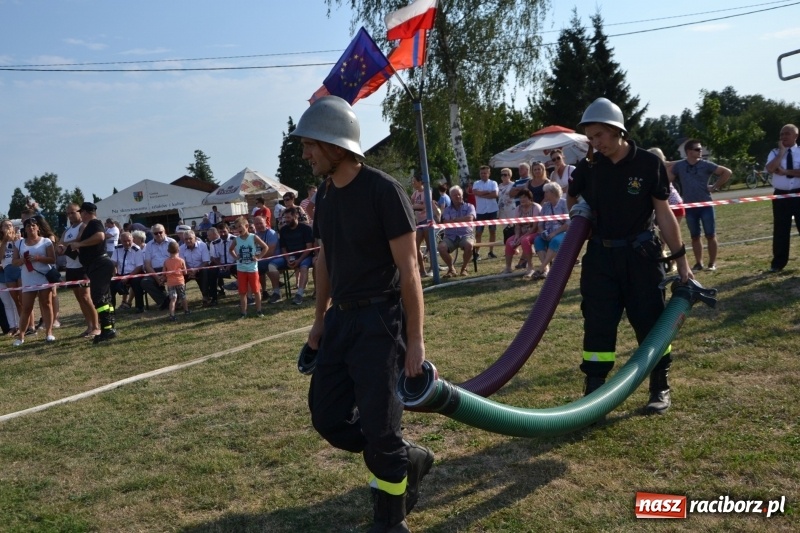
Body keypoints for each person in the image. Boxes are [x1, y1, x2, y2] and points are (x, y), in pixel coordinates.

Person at [294, 95, 433, 532]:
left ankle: (390, 521)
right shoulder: (325, 194)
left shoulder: (383, 191)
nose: (306, 154)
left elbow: (410, 270)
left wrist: (415, 341)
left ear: (335, 144)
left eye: (310, 144)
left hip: (381, 323)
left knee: (380, 429)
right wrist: (319, 320)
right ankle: (405, 456)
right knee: (327, 417)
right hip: (341, 321)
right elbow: (324, 259)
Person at [567, 97, 692, 415]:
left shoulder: (648, 164)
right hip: (600, 258)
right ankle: (594, 392)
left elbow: (664, 213)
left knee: (651, 321)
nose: (595, 143)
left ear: (617, 129)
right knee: (598, 323)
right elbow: (572, 198)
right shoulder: (588, 167)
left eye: (599, 135)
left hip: (641, 256)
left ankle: (659, 385)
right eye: (590, 138)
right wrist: (579, 215)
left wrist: (681, 261)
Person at [668, 139, 732, 271]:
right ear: (689, 152)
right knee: (695, 236)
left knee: (710, 235)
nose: (700, 151)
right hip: (689, 206)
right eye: (697, 149)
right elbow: (667, 178)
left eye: (700, 149)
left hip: (705, 204)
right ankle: (698, 263)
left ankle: (712, 263)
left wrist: (715, 186)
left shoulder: (706, 164)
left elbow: (727, 172)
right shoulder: (680, 166)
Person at [70, 202, 118, 344]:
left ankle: (107, 329)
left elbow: (100, 236)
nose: (80, 215)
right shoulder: (89, 226)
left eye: (81, 212)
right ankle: (109, 327)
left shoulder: (94, 223)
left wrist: (80, 244)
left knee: (99, 297)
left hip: (99, 265)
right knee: (104, 297)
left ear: (85, 212)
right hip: (97, 265)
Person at [11, 217, 57, 345]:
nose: (31, 228)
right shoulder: (19, 243)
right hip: (28, 278)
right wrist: (22, 260)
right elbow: (14, 262)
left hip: (43, 276)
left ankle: (49, 332)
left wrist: (37, 258)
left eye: (33, 225)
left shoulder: (46, 241)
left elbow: (52, 259)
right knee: (26, 307)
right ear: (25, 229)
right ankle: (21, 336)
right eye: (28, 226)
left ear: (38, 228)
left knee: (46, 304)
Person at [58, 203, 100, 337]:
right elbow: (59, 245)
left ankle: (96, 326)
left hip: (82, 267)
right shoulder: (67, 230)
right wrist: (63, 246)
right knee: (80, 299)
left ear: (80, 212)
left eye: (73, 212)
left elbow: (79, 240)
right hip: (70, 267)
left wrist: (65, 245)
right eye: (68, 213)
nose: (70, 215)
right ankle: (89, 326)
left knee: (86, 297)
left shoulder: (83, 226)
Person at [764, 124, 800, 273]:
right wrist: (781, 153)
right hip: (781, 195)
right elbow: (770, 169)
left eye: (787, 134)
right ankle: (778, 263)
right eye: (781, 134)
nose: (783, 137)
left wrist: (786, 171)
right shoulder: (774, 152)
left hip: (798, 194)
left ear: (795, 136)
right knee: (780, 230)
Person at [271, 207, 314, 305]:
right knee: (271, 265)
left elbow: (309, 247)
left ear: (296, 216)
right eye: (285, 218)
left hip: (305, 256)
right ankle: (276, 292)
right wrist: (287, 259)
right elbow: (283, 248)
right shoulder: (283, 230)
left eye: (288, 217)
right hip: (289, 257)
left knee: (303, 267)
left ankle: (299, 294)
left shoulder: (306, 228)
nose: (286, 220)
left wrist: (299, 260)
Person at [229, 216, 268, 318]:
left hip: (252, 269)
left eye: (240, 226)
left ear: (246, 226)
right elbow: (231, 249)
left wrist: (258, 257)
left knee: (256, 290)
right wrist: (236, 257)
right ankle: (243, 312)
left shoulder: (253, 237)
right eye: (236, 227)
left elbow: (265, 247)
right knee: (242, 292)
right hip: (241, 269)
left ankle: (259, 310)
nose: (238, 229)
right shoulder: (236, 239)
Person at [438, 185, 477, 278]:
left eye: (459, 194)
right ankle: (451, 269)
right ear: (451, 197)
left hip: (466, 235)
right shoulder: (447, 209)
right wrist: (462, 219)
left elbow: (470, 218)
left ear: (462, 195)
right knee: (441, 247)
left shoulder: (470, 206)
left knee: (469, 245)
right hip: (450, 236)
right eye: (454, 195)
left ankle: (464, 268)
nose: (457, 196)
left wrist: (454, 219)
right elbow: (446, 221)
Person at [533, 182, 570, 279]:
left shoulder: (564, 203)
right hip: (547, 233)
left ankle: (541, 268)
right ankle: (546, 269)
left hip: (562, 232)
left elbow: (568, 223)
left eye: (546, 192)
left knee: (555, 241)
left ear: (553, 192)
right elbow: (540, 223)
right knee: (538, 240)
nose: (544, 194)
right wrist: (542, 232)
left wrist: (554, 233)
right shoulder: (545, 206)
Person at [503, 189, 541, 277]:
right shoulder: (518, 208)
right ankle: (508, 267)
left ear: (530, 198)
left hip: (535, 232)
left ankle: (530, 267)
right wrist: (517, 236)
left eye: (524, 197)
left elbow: (535, 227)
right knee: (509, 241)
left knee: (524, 240)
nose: (522, 199)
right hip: (522, 233)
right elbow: (517, 225)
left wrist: (522, 237)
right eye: (520, 197)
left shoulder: (536, 207)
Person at [141, 224, 177, 310]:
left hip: (170, 269)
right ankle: (164, 301)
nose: (158, 234)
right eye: (156, 233)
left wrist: (165, 275)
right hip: (154, 271)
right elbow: (147, 265)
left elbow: (176, 260)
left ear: (164, 232)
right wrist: (157, 278)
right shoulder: (149, 245)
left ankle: (173, 300)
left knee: (177, 278)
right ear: (152, 234)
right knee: (145, 282)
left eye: (160, 232)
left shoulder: (172, 242)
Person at [110, 231, 145, 313]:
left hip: (133, 274)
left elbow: (139, 267)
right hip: (120, 274)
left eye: (129, 240)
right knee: (110, 286)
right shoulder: (117, 249)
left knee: (137, 283)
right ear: (121, 241)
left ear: (132, 239)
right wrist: (114, 275)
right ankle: (111, 310)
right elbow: (113, 263)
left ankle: (139, 307)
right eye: (124, 241)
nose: (127, 243)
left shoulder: (137, 250)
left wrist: (128, 277)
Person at [252, 215, 281, 303]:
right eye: (256, 224)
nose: (259, 225)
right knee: (253, 266)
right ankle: (263, 292)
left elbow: (270, 252)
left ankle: (277, 293)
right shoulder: (255, 235)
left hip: (275, 257)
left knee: (264, 266)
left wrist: (258, 258)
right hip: (263, 259)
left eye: (261, 223)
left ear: (265, 223)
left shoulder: (271, 233)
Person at [472, 165, 500, 260]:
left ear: (489, 173)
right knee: (478, 233)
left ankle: (491, 251)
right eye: (482, 173)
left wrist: (482, 194)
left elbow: (495, 194)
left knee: (492, 231)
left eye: (485, 173)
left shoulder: (493, 183)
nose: (483, 175)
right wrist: (488, 192)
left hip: (492, 210)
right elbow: (475, 192)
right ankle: (477, 253)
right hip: (480, 211)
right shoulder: (476, 183)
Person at [178, 230, 212, 307]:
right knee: (178, 276)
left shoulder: (202, 245)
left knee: (204, 272)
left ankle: (206, 297)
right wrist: (189, 270)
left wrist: (196, 270)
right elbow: (182, 262)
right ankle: (179, 299)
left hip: (200, 269)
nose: (188, 241)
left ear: (195, 238)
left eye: (190, 238)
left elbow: (206, 261)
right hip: (187, 270)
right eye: (186, 239)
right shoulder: (181, 248)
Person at [0, 222, 21, 338]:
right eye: (5, 225)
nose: (8, 227)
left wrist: (14, 240)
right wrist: (4, 241)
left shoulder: (18, 239)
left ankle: (21, 325)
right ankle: (12, 327)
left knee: (17, 301)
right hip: (3, 275)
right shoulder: (1, 242)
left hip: (16, 272)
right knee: (7, 303)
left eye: (10, 225)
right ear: (1, 229)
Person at [410, 175, 432, 278]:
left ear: (420, 182)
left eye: (414, 181)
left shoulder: (427, 192)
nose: (413, 183)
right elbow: (409, 203)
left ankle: (433, 268)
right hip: (419, 223)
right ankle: (422, 270)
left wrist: (413, 206)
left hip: (427, 221)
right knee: (415, 246)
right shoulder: (415, 193)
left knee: (430, 246)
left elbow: (425, 206)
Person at [163, 240, 188, 321]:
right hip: (180, 281)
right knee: (183, 296)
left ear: (168, 251)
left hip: (170, 283)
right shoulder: (181, 260)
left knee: (173, 299)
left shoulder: (166, 261)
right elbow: (185, 272)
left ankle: (172, 315)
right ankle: (186, 310)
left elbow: (164, 273)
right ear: (178, 250)